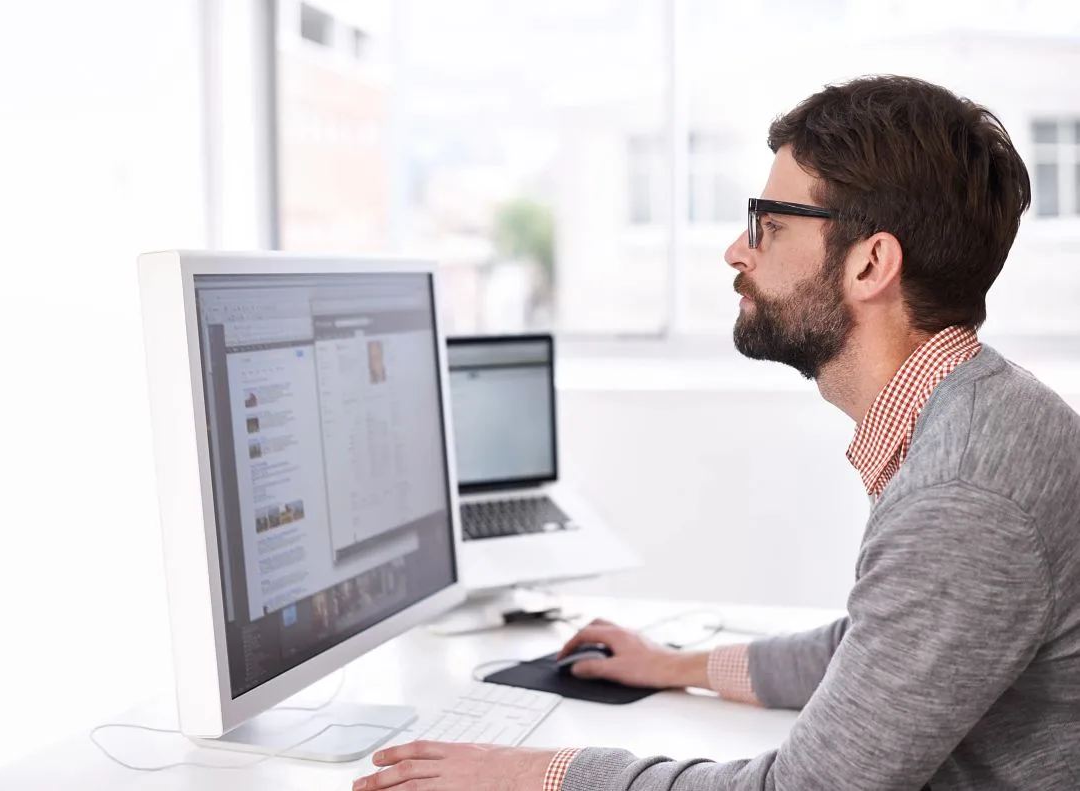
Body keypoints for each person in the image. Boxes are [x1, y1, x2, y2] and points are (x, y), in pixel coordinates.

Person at [352, 75, 1080, 791]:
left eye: (771, 223)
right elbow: (872, 651)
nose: (738, 249)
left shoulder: (963, 496)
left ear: (869, 263)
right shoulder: (978, 413)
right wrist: (673, 665)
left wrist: (534, 775)